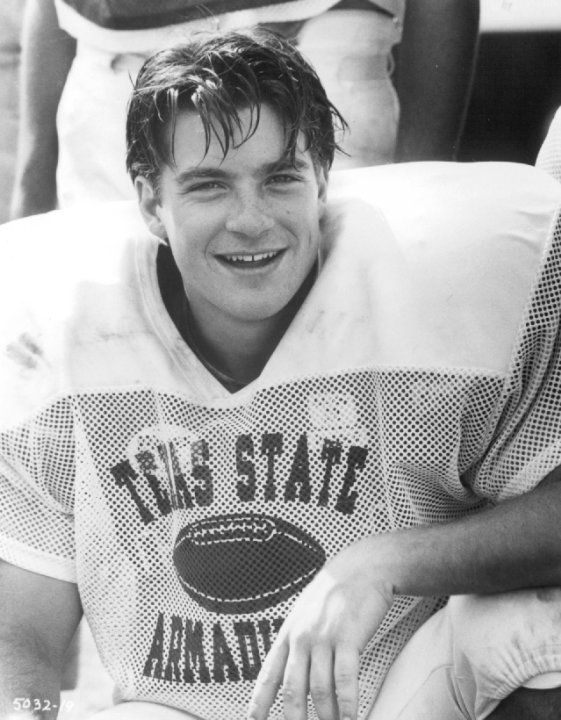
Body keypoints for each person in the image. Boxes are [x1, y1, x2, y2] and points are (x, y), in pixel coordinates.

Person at [1, 28, 561, 720]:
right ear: (149, 201)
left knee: (539, 627)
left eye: (280, 177)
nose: (251, 220)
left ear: (323, 177)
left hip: (405, 698)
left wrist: (382, 564)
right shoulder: (64, 329)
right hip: (183, 709)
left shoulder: (432, 287)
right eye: (208, 186)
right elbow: (19, 626)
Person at [9, 0, 479, 217]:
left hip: (321, 47)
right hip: (113, 63)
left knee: (340, 335)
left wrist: (426, 179)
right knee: (112, 340)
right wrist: (30, 190)